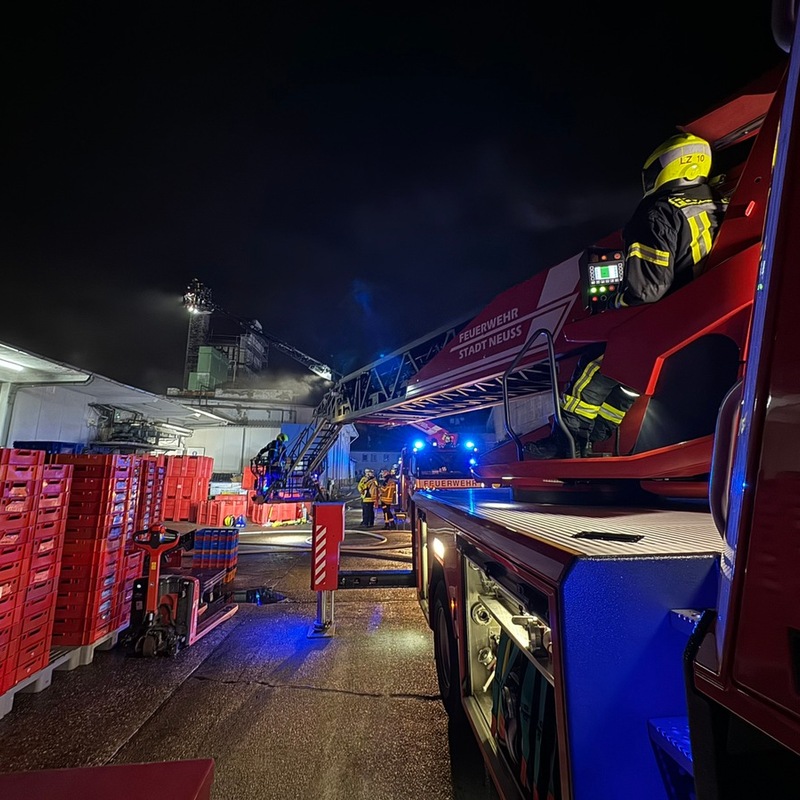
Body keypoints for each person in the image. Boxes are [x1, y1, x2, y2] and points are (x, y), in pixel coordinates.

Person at [527, 132, 728, 459]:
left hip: (668, 318)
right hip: (701, 317)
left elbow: (646, 290)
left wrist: (612, 310)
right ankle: (600, 435)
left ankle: (567, 442)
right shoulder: (717, 201)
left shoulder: (658, 211)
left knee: (595, 363)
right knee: (629, 378)